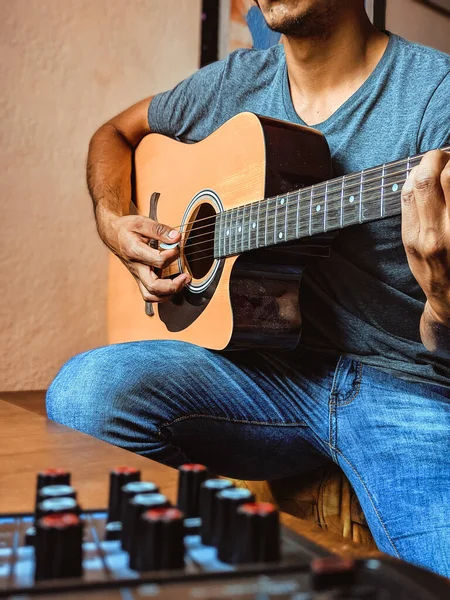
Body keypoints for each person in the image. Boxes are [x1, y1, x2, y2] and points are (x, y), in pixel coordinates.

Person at [46, 0, 450, 577]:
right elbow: (112, 134)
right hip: (261, 376)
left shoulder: (437, 97)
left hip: (405, 388)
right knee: (85, 393)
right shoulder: (234, 85)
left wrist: (444, 299)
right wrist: (115, 221)